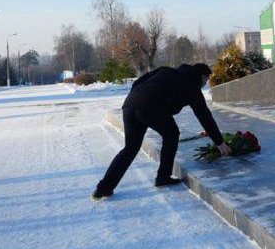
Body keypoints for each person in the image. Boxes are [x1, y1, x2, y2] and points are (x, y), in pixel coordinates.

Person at [92, 63, 223, 200]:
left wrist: (141, 98)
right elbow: (204, 115)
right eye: (206, 80)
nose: (205, 83)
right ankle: (163, 177)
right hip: (150, 108)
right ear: (202, 76)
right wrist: (219, 142)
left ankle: (103, 188)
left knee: (130, 148)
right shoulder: (192, 87)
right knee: (172, 134)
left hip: (130, 105)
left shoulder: (165, 70)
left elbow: (138, 82)